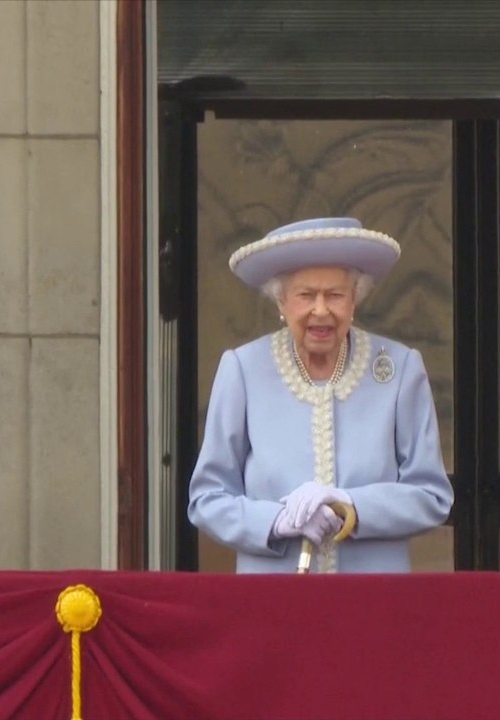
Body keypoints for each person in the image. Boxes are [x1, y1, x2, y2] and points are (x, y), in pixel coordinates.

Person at [188, 217, 453, 574]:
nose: (321, 310)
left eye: (335, 295)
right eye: (306, 295)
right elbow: (206, 499)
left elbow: (431, 496)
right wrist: (275, 522)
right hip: (272, 601)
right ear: (281, 301)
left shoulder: (400, 368)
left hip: (372, 600)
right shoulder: (243, 369)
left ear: (354, 300)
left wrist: (351, 505)